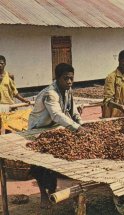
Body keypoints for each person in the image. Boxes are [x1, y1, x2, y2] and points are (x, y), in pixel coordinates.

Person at [28, 63, 85, 210]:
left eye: (71, 78)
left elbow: (73, 111)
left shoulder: (68, 90)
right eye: (66, 79)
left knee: (53, 161)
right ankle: (43, 194)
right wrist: (76, 128)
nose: (69, 82)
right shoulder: (50, 93)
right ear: (57, 78)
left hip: (53, 128)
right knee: (40, 163)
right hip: (37, 130)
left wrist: (81, 123)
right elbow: (56, 114)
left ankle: (51, 191)